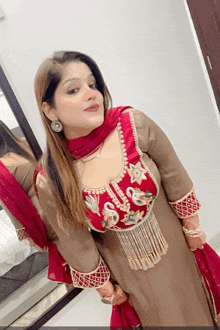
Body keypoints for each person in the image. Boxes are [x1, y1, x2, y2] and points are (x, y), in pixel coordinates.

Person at [33, 51, 215, 326]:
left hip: (180, 254)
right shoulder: (51, 177)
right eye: (74, 89)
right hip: (132, 279)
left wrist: (192, 227)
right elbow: (75, 239)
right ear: (50, 110)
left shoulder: (133, 125)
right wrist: (103, 284)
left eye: (93, 84)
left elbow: (173, 174)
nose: (91, 93)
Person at [0, 120, 46, 252]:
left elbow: (12, 208)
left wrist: (32, 238)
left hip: (44, 217)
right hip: (64, 202)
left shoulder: (2, 169)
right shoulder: (26, 142)